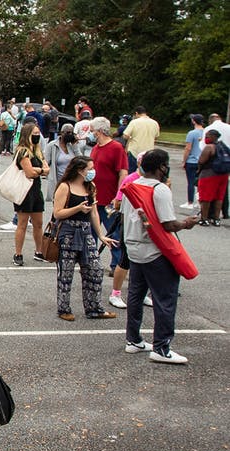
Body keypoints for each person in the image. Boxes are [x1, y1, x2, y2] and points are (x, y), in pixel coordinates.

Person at [121, 150, 200, 364]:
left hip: (134, 247)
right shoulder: (160, 189)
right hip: (155, 251)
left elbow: (123, 218)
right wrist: (186, 223)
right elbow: (167, 224)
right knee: (165, 298)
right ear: (162, 167)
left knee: (136, 295)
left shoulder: (131, 187)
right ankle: (162, 346)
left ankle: (134, 339)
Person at [51, 156, 119, 320]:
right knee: (65, 274)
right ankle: (64, 309)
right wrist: (77, 208)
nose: (92, 172)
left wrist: (101, 235)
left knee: (95, 269)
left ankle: (94, 308)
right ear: (80, 170)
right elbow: (57, 213)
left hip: (86, 231)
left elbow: (94, 212)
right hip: (68, 232)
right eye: (90, 169)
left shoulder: (90, 186)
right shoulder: (65, 187)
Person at [89, 117, 130, 309]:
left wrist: (118, 195)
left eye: (92, 130)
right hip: (95, 198)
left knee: (113, 234)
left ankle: (116, 266)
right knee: (92, 233)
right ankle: (91, 262)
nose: (91, 133)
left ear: (99, 131)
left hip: (110, 200)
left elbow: (123, 172)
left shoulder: (116, 148)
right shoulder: (96, 148)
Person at [10, 122, 51, 265]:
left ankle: (39, 251)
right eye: (34, 134)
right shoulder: (23, 151)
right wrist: (40, 170)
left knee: (38, 223)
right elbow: (29, 172)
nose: (36, 136)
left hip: (36, 189)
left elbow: (47, 168)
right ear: (27, 135)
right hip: (24, 190)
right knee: (22, 223)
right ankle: (18, 253)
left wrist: (38, 170)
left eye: (38, 134)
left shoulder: (38, 151)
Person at [196, 129, 226, 227]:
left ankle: (204, 219)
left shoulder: (209, 147)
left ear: (213, 137)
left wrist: (198, 170)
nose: (206, 138)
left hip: (209, 175)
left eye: (208, 136)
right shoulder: (223, 146)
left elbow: (201, 161)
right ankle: (216, 219)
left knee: (206, 197)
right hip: (223, 175)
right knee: (219, 197)